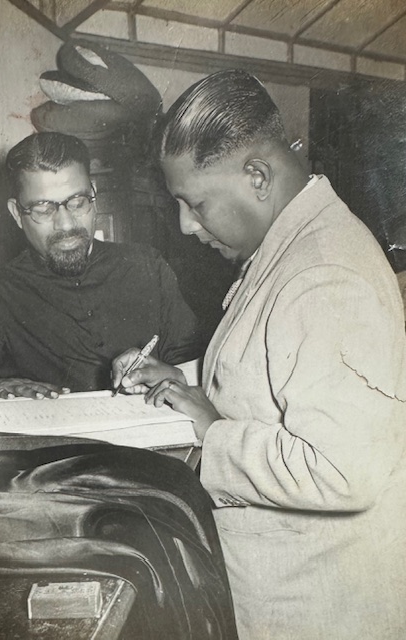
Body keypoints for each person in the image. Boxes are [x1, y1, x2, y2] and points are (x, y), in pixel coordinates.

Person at [112, 70, 406, 640]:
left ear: (257, 176)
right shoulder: (291, 245)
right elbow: (273, 373)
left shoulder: (324, 272)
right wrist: (181, 382)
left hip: (320, 611)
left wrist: (211, 433)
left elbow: (342, 471)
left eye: (196, 203)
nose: (186, 225)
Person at [0, 132, 202, 414]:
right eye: (43, 209)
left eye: (77, 202)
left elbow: (206, 368)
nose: (65, 224)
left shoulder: (148, 267)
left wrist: (172, 374)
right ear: (17, 214)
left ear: (94, 196)